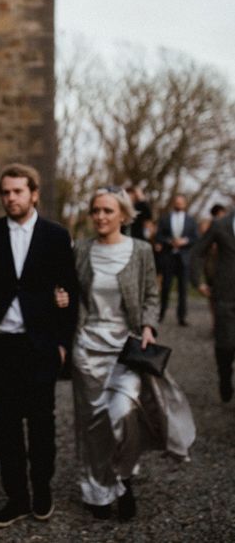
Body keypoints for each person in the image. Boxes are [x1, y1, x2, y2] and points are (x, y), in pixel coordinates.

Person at [55, 187, 195, 521]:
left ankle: (124, 477)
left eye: (107, 211)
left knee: (122, 414)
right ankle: (98, 491)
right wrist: (61, 297)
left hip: (127, 349)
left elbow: (151, 295)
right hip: (87, 348)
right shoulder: (82, 250)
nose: (100, 217)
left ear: (123, 214)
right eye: (96, 211)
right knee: (92, 425)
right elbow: (69, 289)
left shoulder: (141, 251)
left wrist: (148, 326)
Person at [0, 163, 78, 528]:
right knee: (7, 424)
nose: (11, 198)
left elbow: (70, 291)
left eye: (18, 191)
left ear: (34, 194)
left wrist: (62, 343)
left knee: (42, 422)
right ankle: (16, 496)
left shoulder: (56, 236)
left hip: (40, 345)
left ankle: (42, 490)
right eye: (6, 192)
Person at [190, 205, 235, 402]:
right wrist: (197, 281)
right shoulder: (220, 225)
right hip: (225, 295)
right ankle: (224, 378)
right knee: (225, 345)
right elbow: (198, 252)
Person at [155, 194, 198, 325]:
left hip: (184, 259)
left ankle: (181, 317)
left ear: (185, 204)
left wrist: (184, 241)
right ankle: (160, 314)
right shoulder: (165, 219)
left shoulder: (191, 220)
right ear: (174, 203)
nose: (179, 204)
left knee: (183, 289)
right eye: (177, 202)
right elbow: (158, 236)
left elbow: (195, 238)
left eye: (181, 202)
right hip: (169, 258)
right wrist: (169, 241)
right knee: (166, 288)